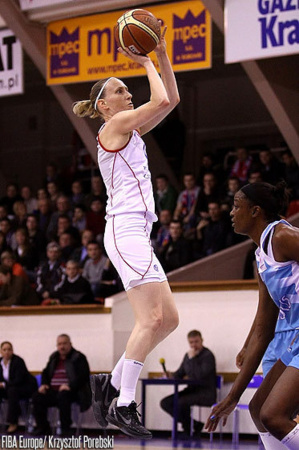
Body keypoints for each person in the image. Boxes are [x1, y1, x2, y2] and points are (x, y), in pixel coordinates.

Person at [73, 26, 180, 439]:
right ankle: (124, 403)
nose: (128, 93)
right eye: (121, 89)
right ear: (104, 104)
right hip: (124, 230)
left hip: (137, 231)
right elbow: (161, 98)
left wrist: (163, 55)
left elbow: (170, 100)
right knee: (149, 318)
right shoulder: (113, 125)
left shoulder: (128, 129)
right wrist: (144, 59)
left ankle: (110, 383)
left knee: (168, 319)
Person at [205, 181, 299, 450]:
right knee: (258, 410)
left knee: (273, 415)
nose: (231, 212)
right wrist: (232, 397)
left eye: (237, 206)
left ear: (256, 211)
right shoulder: (261, 257)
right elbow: (263, 330)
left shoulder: (283, 236)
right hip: (293, 339)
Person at [31, 334, 91, 436]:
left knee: (63, 396)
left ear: (70, 344)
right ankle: (43, 427)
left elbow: (83, 376)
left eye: (64, 343)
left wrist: (70, 386)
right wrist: (44, 384)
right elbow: (45, 372)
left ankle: (66, 428)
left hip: (73, 391)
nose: (62, 346)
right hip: (54, 391)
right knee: (37, 396)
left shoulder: (79, 357)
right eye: (59, 344)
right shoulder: (54, 357)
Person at [160, 330, 216, 436]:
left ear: (202, 341)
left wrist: (192, 358)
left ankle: (187, 430)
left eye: (196, 342)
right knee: (166, 402)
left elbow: (199, 376)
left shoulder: (208, 356)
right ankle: (194, 424)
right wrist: (170, 375)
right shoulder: (188, 356)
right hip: (191, 390)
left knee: (181, 402)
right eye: (191, 342)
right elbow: (180, 373)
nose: (194, 345)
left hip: (205, 392)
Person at [0, 341, 37, 433]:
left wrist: (3, 385)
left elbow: (18, 380)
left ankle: (13, 423)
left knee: (12, 391)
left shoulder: (18, 361)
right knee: (10, 391)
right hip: (9, 389)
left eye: (9, 349)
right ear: (1, 351)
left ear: (12, 351)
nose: (7, 352)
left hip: (25, 387)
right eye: (4, 350)